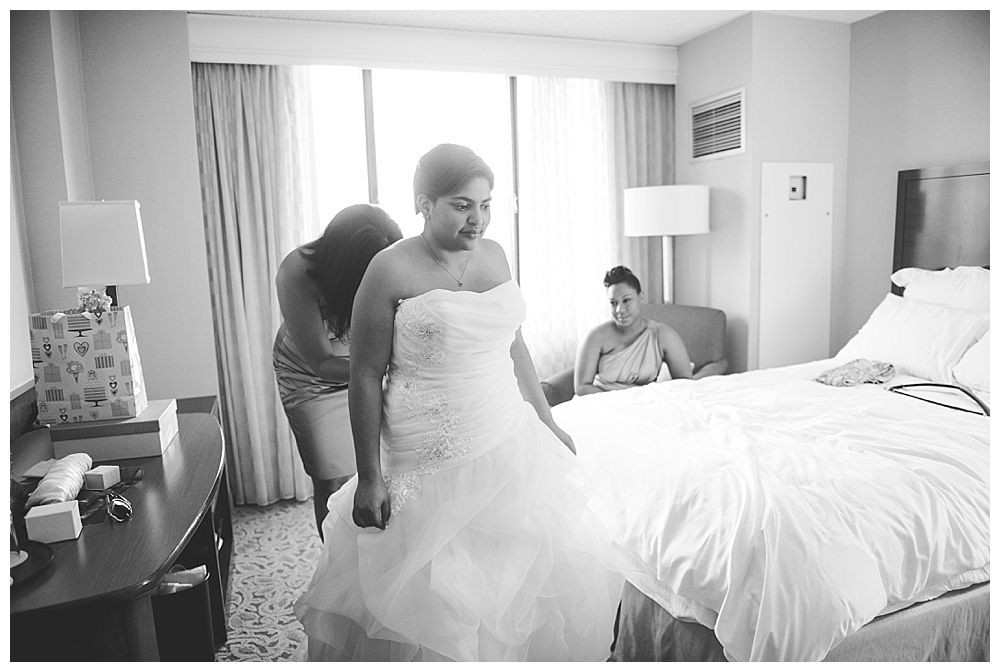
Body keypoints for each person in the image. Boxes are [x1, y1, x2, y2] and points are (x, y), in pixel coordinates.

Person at [294, 144, 625, 662]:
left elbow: (513, 344)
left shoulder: (494, 255)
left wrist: (546, 420)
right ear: (423, 203)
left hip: (506, 436)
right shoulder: (388, 269)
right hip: (425, 456)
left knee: (517, 583)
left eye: (487, 204)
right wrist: (371, 475)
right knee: (434, 611)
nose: (479, 219)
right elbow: (364, 375)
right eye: (462, 204)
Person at [273, 204, 403, 535]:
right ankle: (332, 555)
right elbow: (321, 362)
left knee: (382, 465)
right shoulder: (296, 271)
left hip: (366, 360)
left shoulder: (394, 262)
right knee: (330, 478)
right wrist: (376, 369)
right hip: (309, 375)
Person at [574, 265, 693, 396]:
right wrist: (620, 401)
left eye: (626, 300)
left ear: (640, 297)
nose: (619, 309)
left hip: (644, 403)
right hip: (600, 402)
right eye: (613, 303)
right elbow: (582, 388)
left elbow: (685, 383)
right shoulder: (595, 337)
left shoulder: (663, 336)